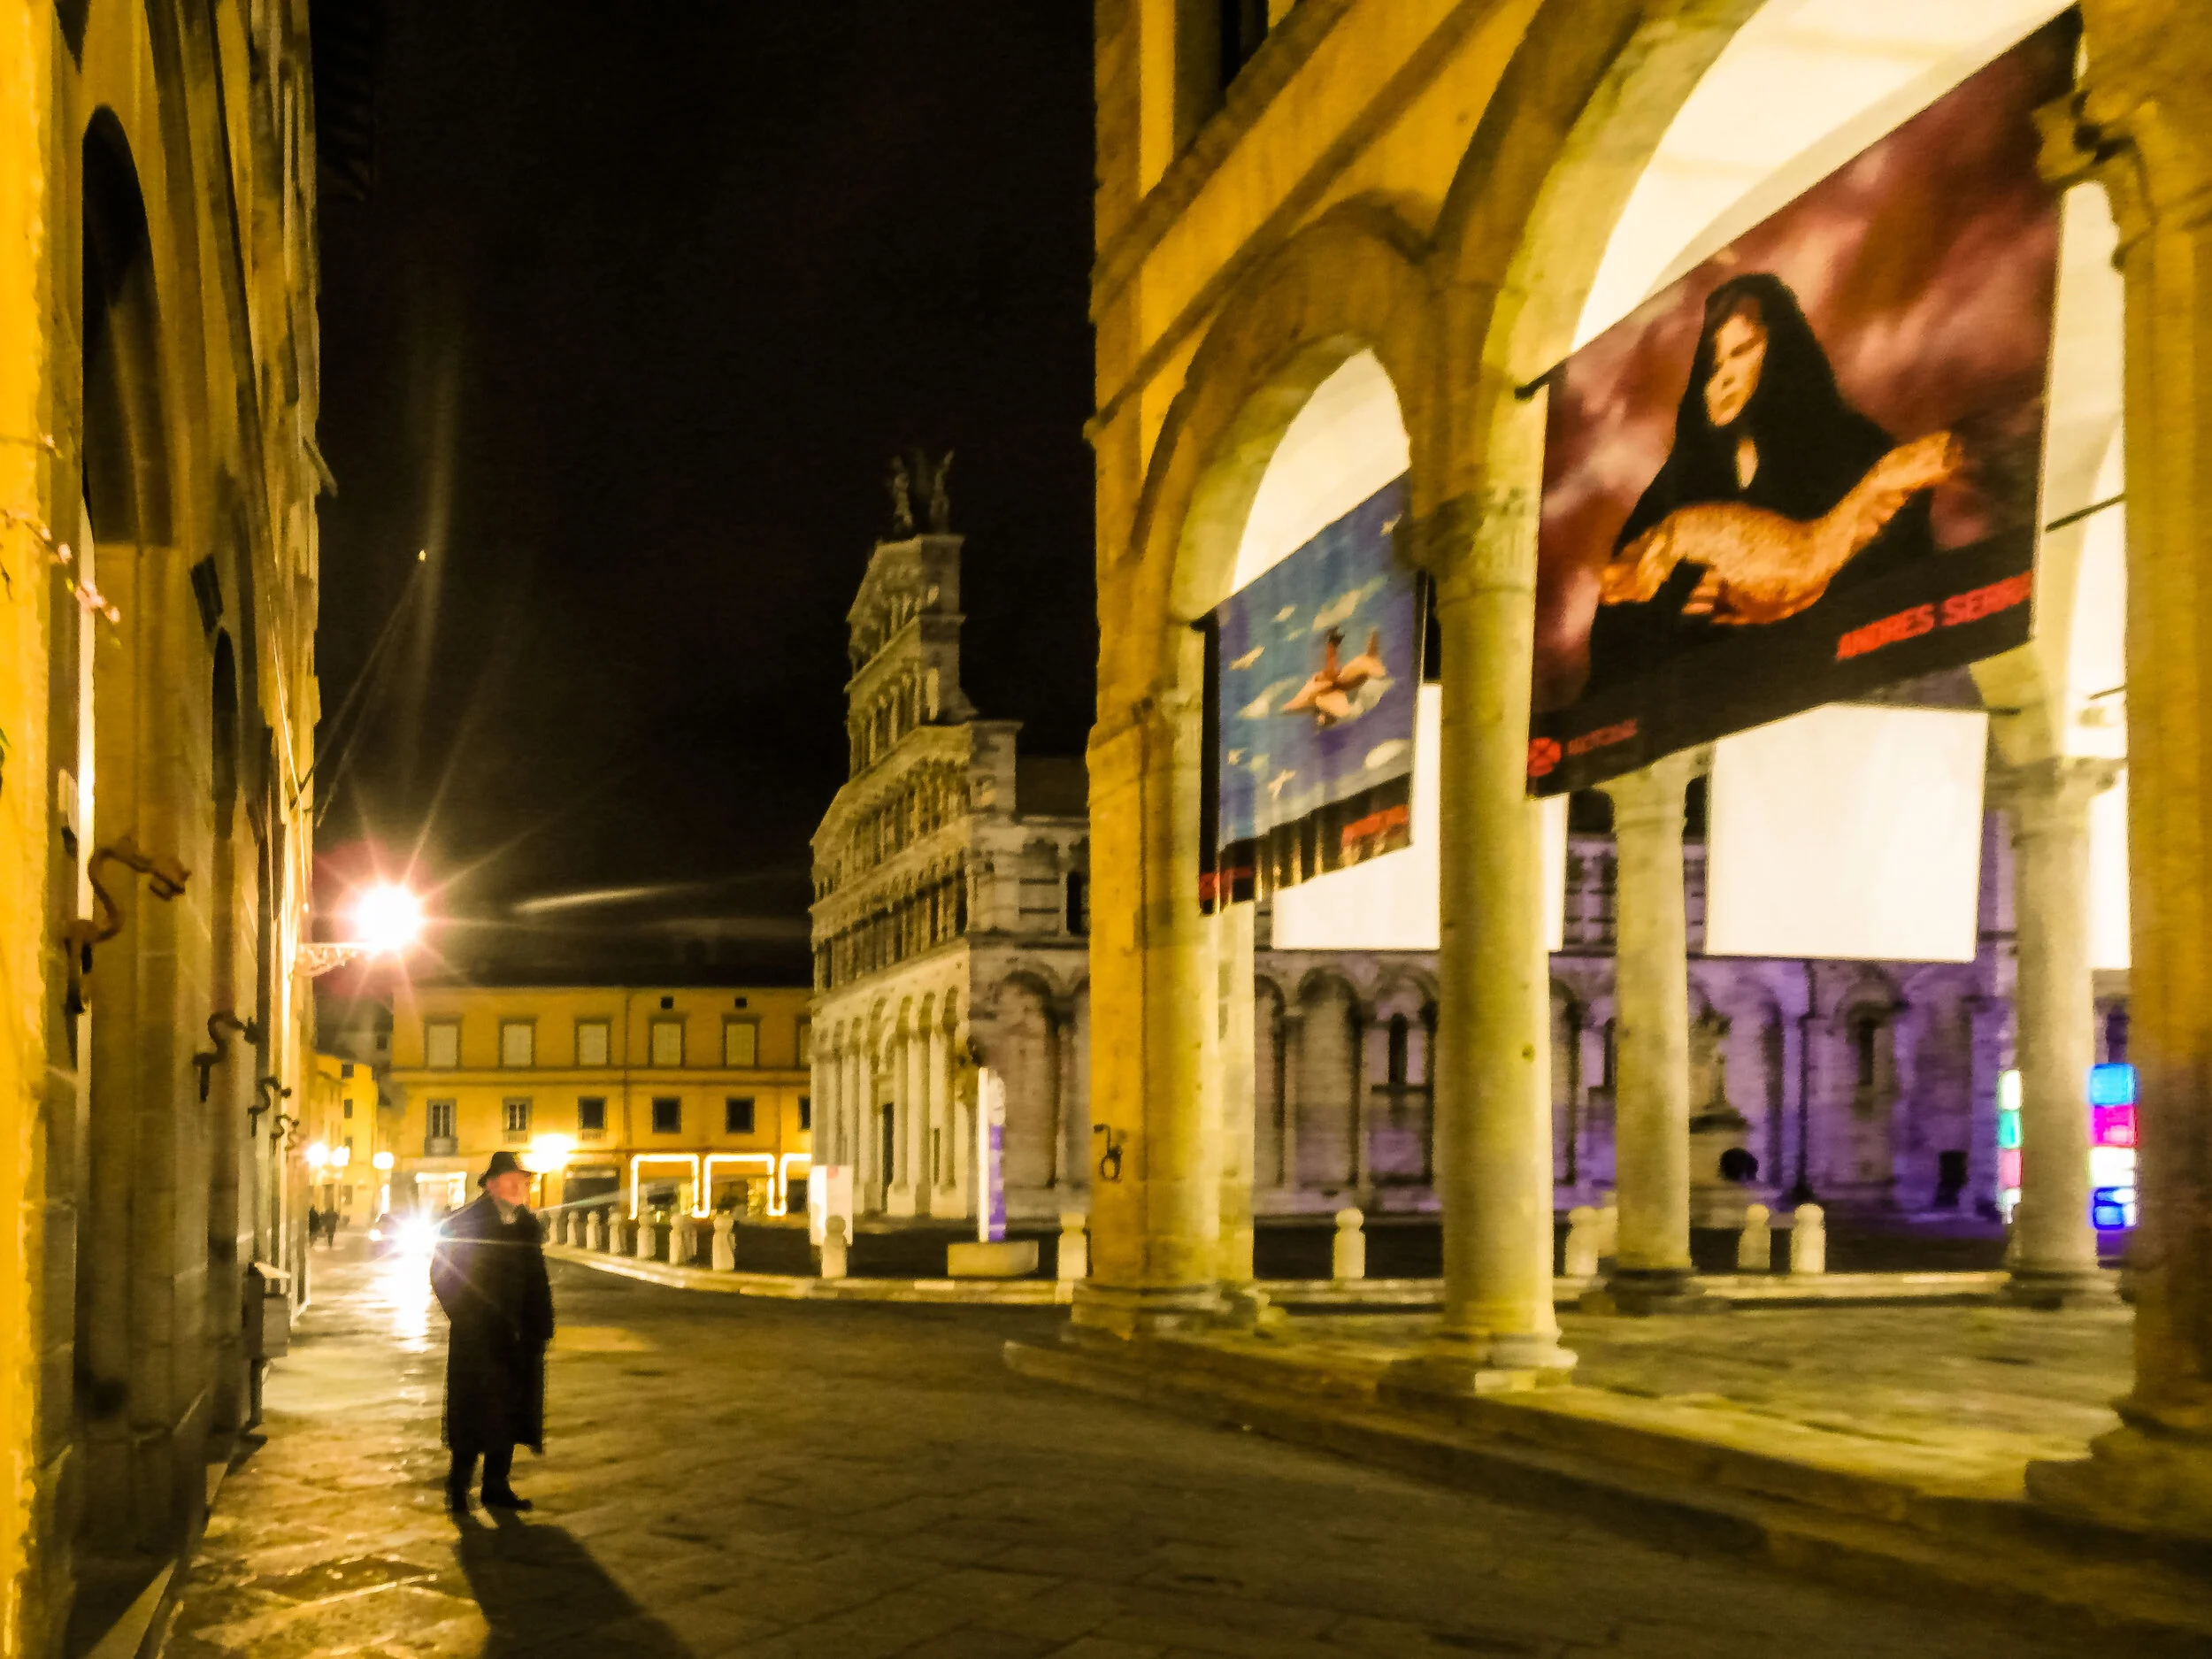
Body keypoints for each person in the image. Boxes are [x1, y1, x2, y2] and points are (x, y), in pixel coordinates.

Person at [1586, 273, 1956, 693]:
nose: (1724, 377)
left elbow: (1902, 590)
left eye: (1741, 352)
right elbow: (1620, 632)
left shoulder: (1857, 448)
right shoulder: (1678, 487)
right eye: (1714, 364)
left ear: (1781, 349)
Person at [430, 1150, 554, 1513]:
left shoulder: (526, 1226)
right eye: (513, 1181)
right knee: (473, 1409)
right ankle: (458, 1485)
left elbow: (537, 1279)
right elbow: (442, 1274)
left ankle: (496, 1486)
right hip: (478, 1337)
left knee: (511, 1409)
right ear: (492, 1185)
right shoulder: (465, 1223)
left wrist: (540, 1325)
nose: (520, 1187)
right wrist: (467, 1319)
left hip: (519, 1337)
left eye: (523, 1182)